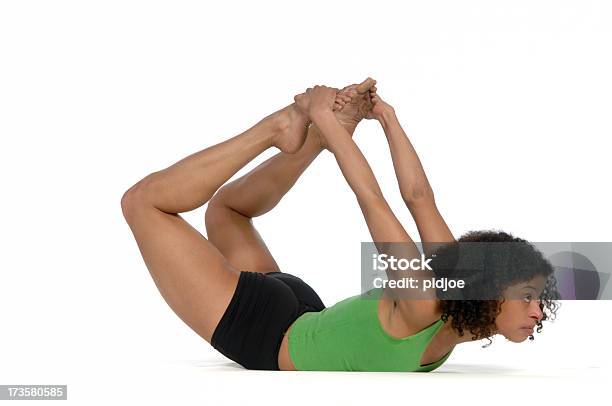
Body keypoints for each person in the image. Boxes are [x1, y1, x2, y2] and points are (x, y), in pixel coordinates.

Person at [121, 78, 559, 372]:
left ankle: (305, 139)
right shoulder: (424, 299)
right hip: (262, 334)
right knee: (142, 203)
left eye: (536, 300)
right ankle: (276, 130)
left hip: (303, 313)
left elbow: (420, 198)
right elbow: (373, 199)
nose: (538, 312)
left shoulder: (457, 285)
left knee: (226, 214)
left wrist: (381, 118)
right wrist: (331, 119)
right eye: (526, 296)